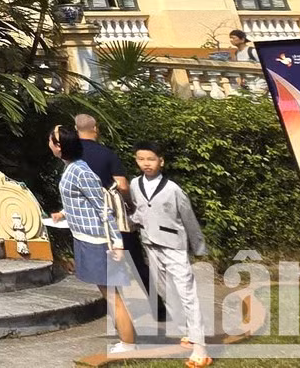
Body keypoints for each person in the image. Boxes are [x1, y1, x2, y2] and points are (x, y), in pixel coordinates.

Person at [47, 122, 137, 355]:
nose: (49, 144)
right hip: (86, 237)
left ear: (59, 146)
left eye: (51, 140)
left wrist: (116, 242)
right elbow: (80, 200)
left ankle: (128, 343)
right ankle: (126, 340)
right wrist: (63, 213)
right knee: (107, 292)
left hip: (99, 240)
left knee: (112, 294)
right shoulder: (72, 168)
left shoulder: (80, 170)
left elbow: (102, 206)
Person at [128, 143, 211, 368]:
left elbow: (189, 218)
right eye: (141, 159)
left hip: (174, 245)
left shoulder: (173, 189)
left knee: (187, 293)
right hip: (150, 245)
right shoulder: (135, 184)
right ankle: (188, 332)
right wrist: (128, 223)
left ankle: (201, 347)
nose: (146, 163)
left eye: (151, 159)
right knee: (165, 291)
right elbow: (140, 212)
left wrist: (199, 247)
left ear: (161, 161)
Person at [76, 112, 157, 323]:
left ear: (76, 130)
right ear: (96, 129)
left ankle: (116, 311)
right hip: (114, 215)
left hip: (88, 219)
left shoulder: (73, 157)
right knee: (136, 262)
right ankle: (158, 308)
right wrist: (129, 203)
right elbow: (121, 185)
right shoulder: (106, 154)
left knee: (103, 266)